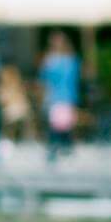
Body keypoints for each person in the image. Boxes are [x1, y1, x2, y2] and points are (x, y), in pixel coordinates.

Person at [38, 31, 81, 161]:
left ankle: (58, 148)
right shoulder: (69, 60)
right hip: (59, 96)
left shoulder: (55, 61)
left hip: (61, 96)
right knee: (60, 124)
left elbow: (44, 78)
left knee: (59, 124)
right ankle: (62, 148)